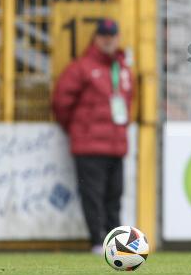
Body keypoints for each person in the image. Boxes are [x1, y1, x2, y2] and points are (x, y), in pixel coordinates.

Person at [52, 18, 135, 254]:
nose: (108, 41)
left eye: (112, 37)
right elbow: (61, 103)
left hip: (116, 145)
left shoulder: (123, 69)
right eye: (104, 37)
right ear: (96, 38)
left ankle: (116, 242)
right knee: (93, 196)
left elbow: (130, 103)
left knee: (114, 197)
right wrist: (80, 130)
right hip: (89, 146)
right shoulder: (81, 68)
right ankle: (97, 242)